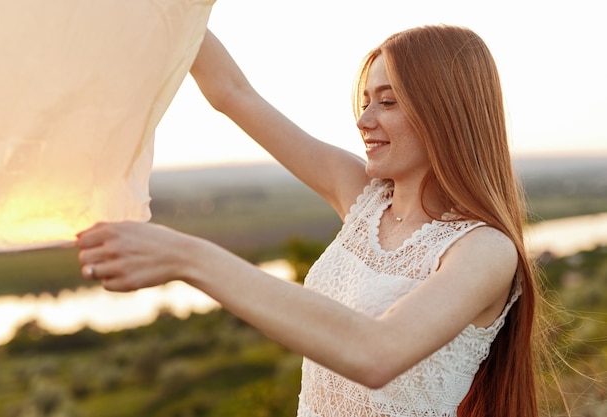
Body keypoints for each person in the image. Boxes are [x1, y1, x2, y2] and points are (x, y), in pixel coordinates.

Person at [77, 25, 543, 417]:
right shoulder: (361, 196)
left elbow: (376, 354)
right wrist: (173, 12)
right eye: (365, 101)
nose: (363, 120)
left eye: (387, 102)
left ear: (446, 112)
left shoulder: (484, 251)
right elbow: (231, 93)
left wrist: (189, 256)